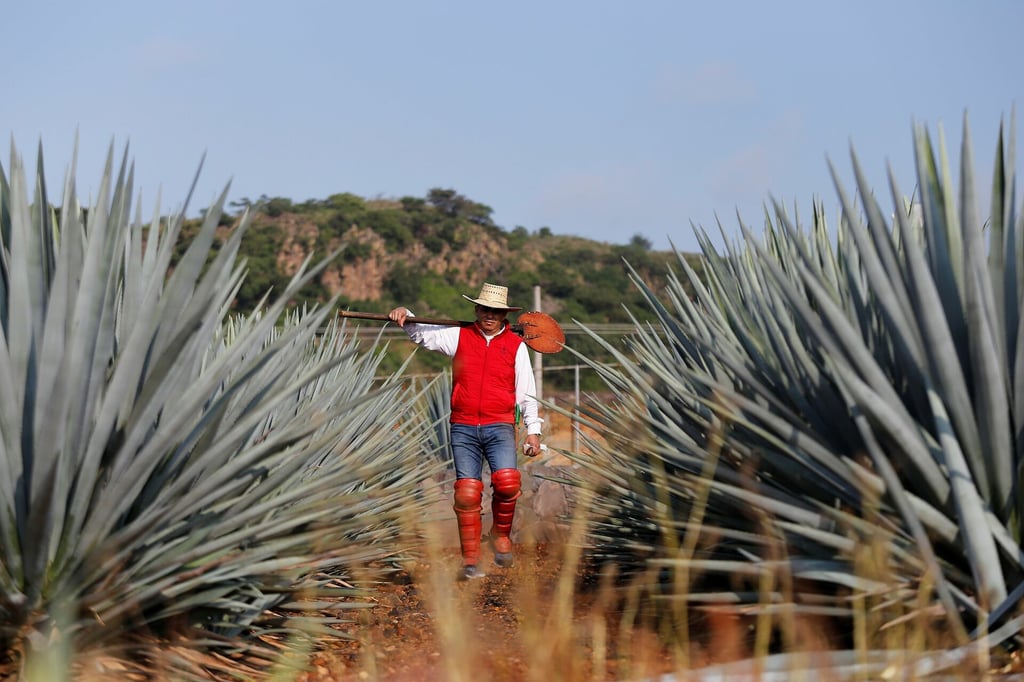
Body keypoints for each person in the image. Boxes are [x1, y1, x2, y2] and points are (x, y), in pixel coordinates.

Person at [389, 282, 543, 580]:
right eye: (485, 309)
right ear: (476, 309)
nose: (489, 315)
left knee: (508, 482)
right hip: (463, 427)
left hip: (499, 425)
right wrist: (406, 314)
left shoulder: (515, 346)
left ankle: (500, 536)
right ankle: (471, 561)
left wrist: (532, 430)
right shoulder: (458, 336)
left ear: (503, 316)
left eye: (495, 311)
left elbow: (527, 393)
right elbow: (423, 334)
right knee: (467, 493)